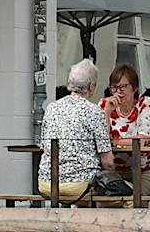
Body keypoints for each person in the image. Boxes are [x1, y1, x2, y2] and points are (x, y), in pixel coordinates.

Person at [37, 57, 113, 202]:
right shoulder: (94, 112)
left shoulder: (51, 108)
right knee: (128, 198)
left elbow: (44, 145)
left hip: (46, 183)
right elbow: (108, 162)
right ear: (91, 86)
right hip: (80, 185)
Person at [104, 63, 150, 197]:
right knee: (105, 198)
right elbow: (100, 140)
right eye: (114, 87)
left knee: (133, 198)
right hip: (116, 172)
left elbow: (143, 141)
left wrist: (114, 142)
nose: (119, 91)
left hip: (146, 171)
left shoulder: (146, 103)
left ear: (135, 87)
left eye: (123, 86)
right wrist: (107, 112)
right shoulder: (105, 106)